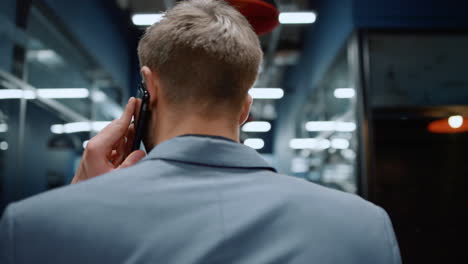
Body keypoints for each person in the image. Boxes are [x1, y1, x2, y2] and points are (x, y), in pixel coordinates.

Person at [0, 0, 401, 263]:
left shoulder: (34, 226)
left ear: (149, 88)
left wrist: (79, 205)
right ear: (246, 108)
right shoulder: (364, 227)